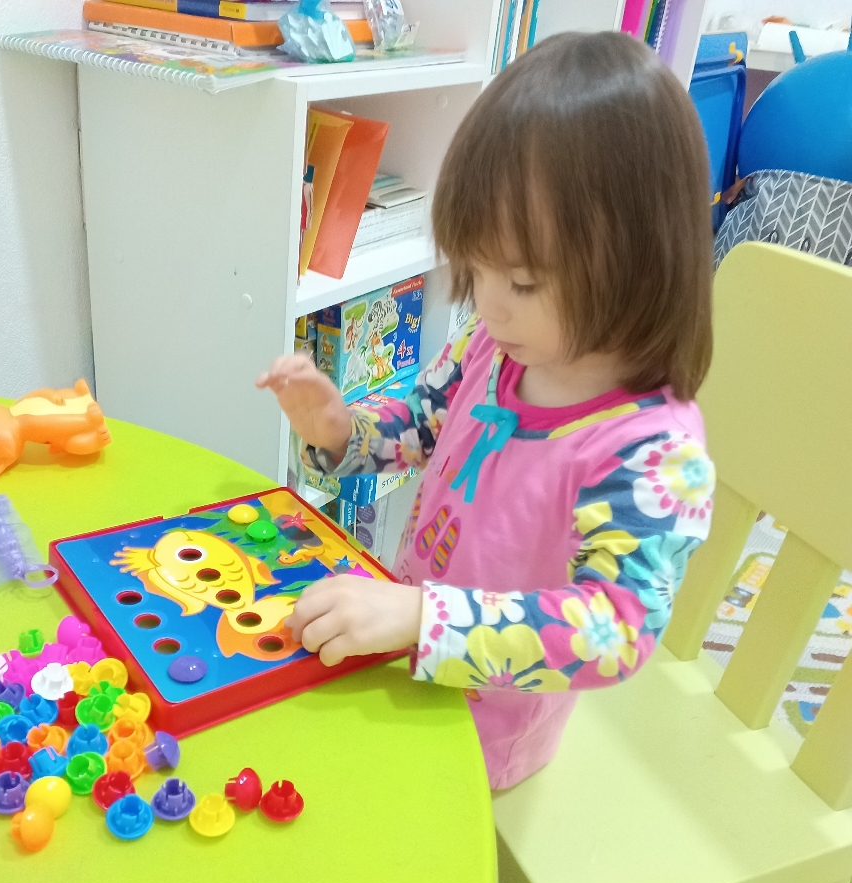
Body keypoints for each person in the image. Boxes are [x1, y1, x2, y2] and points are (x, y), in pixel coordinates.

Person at [256, 31, 716, 790]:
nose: (490, 305)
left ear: (639, 260)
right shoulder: (492, 347)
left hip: (487, 738)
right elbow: (421, 426)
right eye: (476, 268)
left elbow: (615, 632)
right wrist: (339, 431)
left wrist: (421, 618)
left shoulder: (651, 453)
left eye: (524, 282)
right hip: (402, 661)